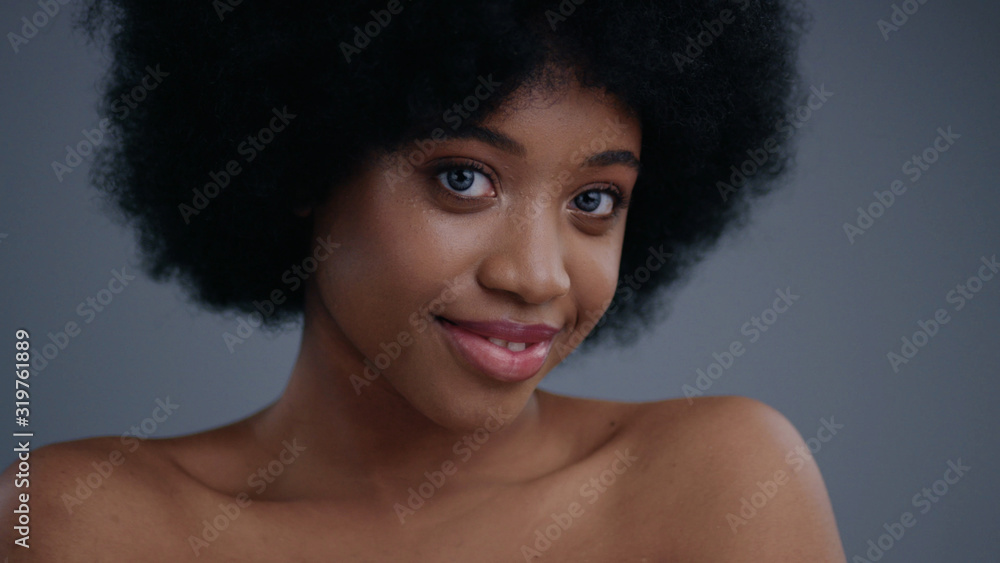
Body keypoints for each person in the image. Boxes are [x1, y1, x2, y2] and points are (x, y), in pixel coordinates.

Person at [2, 0, 847, 560]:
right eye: (463, 179)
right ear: (305, 164)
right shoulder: (77, 521)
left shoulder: (721, 482)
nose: (536, 274)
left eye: (594, 199)